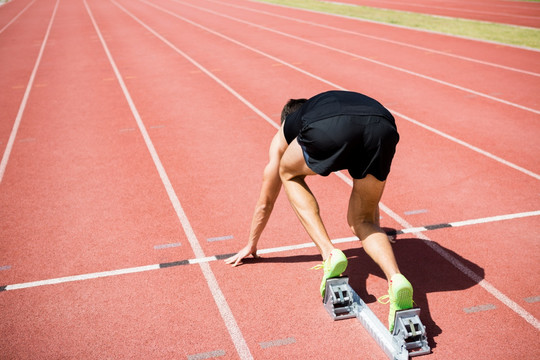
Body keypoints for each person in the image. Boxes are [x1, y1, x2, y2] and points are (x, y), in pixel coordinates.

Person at [225, 90, 413, 332]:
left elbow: (267, 196)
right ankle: (396, 278)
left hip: (330, 127)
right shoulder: (318, 106)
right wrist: (374, 228)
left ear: (285, 120)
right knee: (362, 220)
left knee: (288, 172)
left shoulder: (286, 129)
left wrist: (252, 242)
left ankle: (329, 253)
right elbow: (370, 204)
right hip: (382, 123)